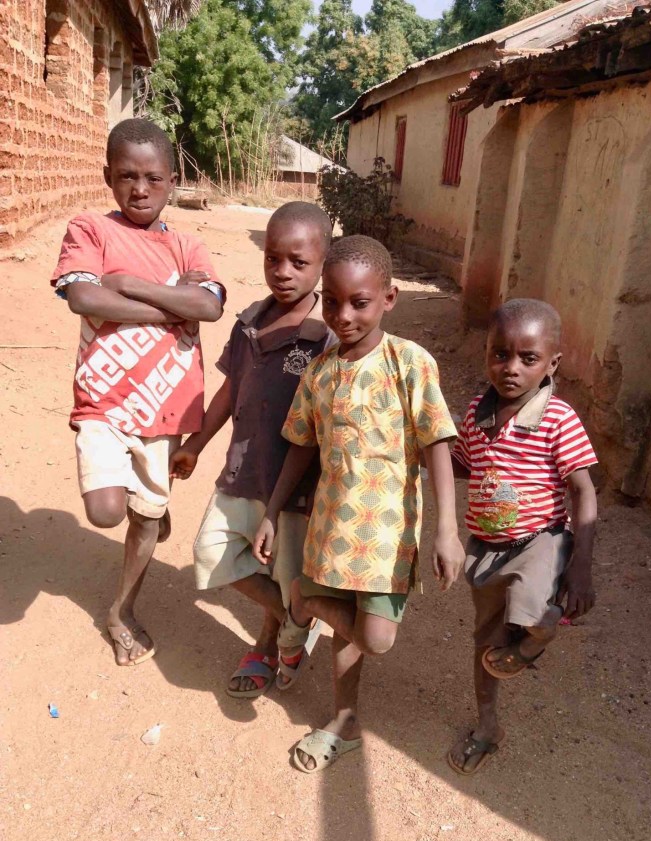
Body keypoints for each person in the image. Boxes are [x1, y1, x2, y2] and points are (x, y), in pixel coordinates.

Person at [252, 234, 465, 772]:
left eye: (360, 302)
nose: (343, 315)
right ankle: (344, 720)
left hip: (388, 536)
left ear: (389, 299)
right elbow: (300, 448)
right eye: (332, 300)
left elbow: (438, 441)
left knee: (376, 637)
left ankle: (303, 602)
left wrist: (446, 530)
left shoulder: (409, 363)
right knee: (350, 629)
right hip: (331, 529)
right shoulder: (320, 373)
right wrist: (272, 513)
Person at [51, 118, 225, 667]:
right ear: (108, 176)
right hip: (103, 402)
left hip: (165, 410)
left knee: (146, 520)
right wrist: (170, 306)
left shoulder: (188, 246)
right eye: (127, 176)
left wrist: (126, 284)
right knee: (106, 512)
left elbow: (211, 307)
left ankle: (120, 610)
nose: (140, 189)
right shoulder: (90, 230)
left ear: (173, 180)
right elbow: (82, 297)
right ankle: (144, 509)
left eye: (153, 177)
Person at [169, 202, 334, 698]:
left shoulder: (326, 341)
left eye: (299, 262)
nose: (282, 272)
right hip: (242, 473)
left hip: (295, 489)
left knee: (281, 570)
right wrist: (196, 445)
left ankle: (269, 645)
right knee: (213, 553)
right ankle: (294, 619)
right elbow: (228, 390)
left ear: (323, 264)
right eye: (272, 259)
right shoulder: (248, 323)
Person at [447, 298, 598, 776]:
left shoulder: (558, 418)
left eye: (527, 359)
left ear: (551, 364)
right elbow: (463, 466)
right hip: (487, 549)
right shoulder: (477, 412)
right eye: (499, 354)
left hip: (541, 540)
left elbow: (583, 490)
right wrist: (419, 451)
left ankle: (538, 635)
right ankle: (487, 726)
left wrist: (581, 567)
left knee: (534, 613)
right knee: (487, 646)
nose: (510, 368)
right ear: (486, 352)